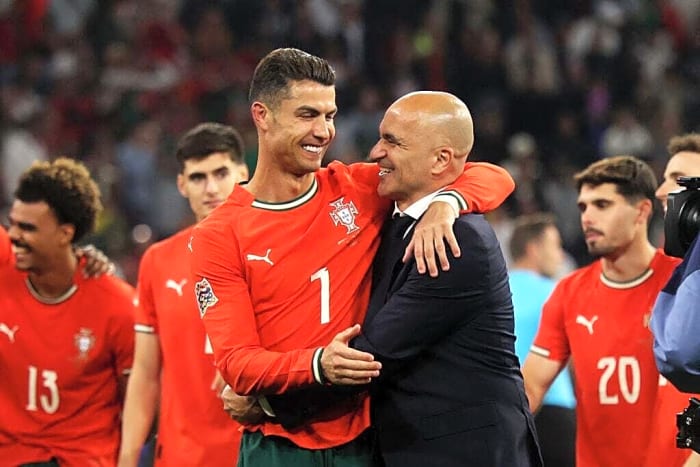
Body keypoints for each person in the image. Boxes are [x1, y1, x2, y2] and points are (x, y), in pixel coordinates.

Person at [189, 47, 514, 466]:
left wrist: (448, 201)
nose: (324, 131)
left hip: (367, 442)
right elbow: (237, 364)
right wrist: (317, 364)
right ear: (262, 115)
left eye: (330, 116)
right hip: (279, 446)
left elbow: (491, 174)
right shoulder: (219, 234)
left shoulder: (357, 189)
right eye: (307, 115)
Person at [313, 91, 542, 467]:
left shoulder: (456, 241)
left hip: (468, 454)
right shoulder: (393, 219)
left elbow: (373, 355)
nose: (375, 152)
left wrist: (270, 393)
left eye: (392, 142)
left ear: (440, 160)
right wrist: (449, 199)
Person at [521, 155, 691, 467]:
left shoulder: (684, 283)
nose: (587, 218)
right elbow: (530, 387)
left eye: (602, 205)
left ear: (642, 211)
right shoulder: (568, 293)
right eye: (583, 207)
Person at [118, 123, 249, 466]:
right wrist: (128, 456)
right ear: (181, 184)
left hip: (255, 451)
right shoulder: (158, 261)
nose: (211, 188)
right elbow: (145, 372)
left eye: (221, 173)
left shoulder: (273, 251)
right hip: (181, 456)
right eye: (197, 177)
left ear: (243, 173)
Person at [0, 158, 136, 465]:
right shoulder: (3, 262)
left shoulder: (118, 306)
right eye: (12, 224)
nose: (13, 235)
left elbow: (139, 407)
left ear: (65, 234)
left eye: (27, 228)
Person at [508, 213, 575, 467]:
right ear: (533, 249)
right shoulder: (555, 293)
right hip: (554, 410)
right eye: (555, 246)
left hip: (507, 414)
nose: (560, 255)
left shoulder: (491, 293)